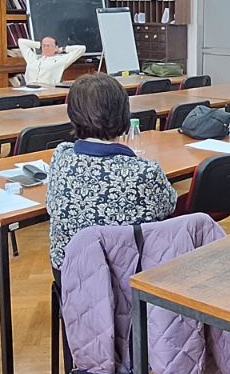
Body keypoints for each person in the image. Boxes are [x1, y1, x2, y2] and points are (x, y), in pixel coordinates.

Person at [45, 73, 177, 271]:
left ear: (72, 115)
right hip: (128, 276)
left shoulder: (60, 156)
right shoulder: (146, 172)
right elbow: (169, 206)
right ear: (124, 114)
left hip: (70, 274)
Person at [18, 36, 85, 88]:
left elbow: (81, 49)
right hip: (28, 88)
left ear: (56, 47)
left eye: (48, 46)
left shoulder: (61, 59)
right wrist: (39, 45)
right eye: (43, 46)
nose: (45, 48)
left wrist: (62, 49)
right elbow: (21, 41)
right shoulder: (33, 58)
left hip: (47, 89)